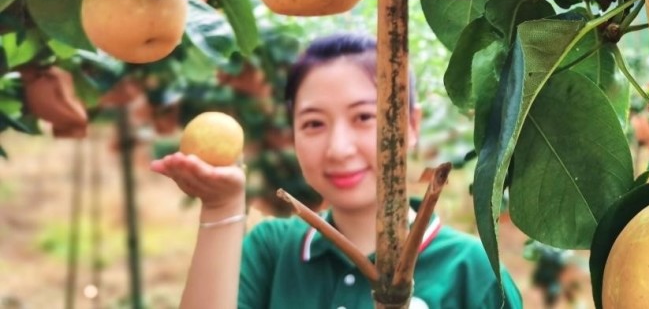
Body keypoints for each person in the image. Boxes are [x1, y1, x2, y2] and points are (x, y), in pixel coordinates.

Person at [152, 31, 523, 308]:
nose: (338, 148)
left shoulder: (474, 274)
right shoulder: (273, 252)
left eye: (364, 117)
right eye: (314, 123)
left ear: (411, 125)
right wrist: (221, 207)